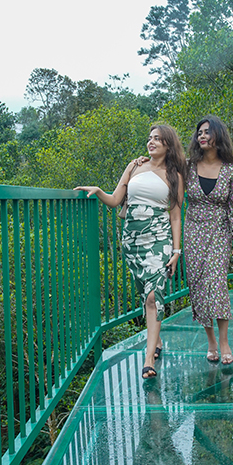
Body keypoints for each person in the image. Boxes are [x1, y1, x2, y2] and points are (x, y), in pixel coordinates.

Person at [74, 124, 185, 379]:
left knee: (153, 295)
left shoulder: (175, 176)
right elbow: (115, 200)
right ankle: (156, 342)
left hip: (159, 238)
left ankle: (148, 359)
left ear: (168, 144)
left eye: (158, 139)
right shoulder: (134, 166)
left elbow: (176, 216)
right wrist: (99, 191)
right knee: (144, 292)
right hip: (132, 239)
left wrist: (177, 251)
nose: (151, 142)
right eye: (150, 138)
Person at [184, 116, 233, 365]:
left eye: (207, 132)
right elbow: (163, 166)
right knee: (198, 286)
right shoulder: (188, 166)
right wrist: (142, 161)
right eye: (199, 132)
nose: (201, 136)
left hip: (219, 232)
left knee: (217, 285)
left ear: (218, 136)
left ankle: (224, 342)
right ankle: (210, 340)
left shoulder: (231, 169)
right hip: (193, 233)